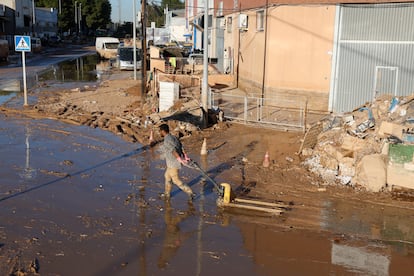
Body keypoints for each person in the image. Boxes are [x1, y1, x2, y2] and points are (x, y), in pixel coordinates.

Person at [159, 123, 196, 201]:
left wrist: (180, 159)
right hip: (171, 163)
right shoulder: (174, 137)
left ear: (163, 131)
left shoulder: (167, 140)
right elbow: (181, 147)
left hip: (173, 163)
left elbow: (173, 150)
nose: (159, 133)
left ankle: (190, 192)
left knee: (175, 180)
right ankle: (167, 194)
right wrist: (185, 156)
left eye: (160, 131)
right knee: (167, 176)